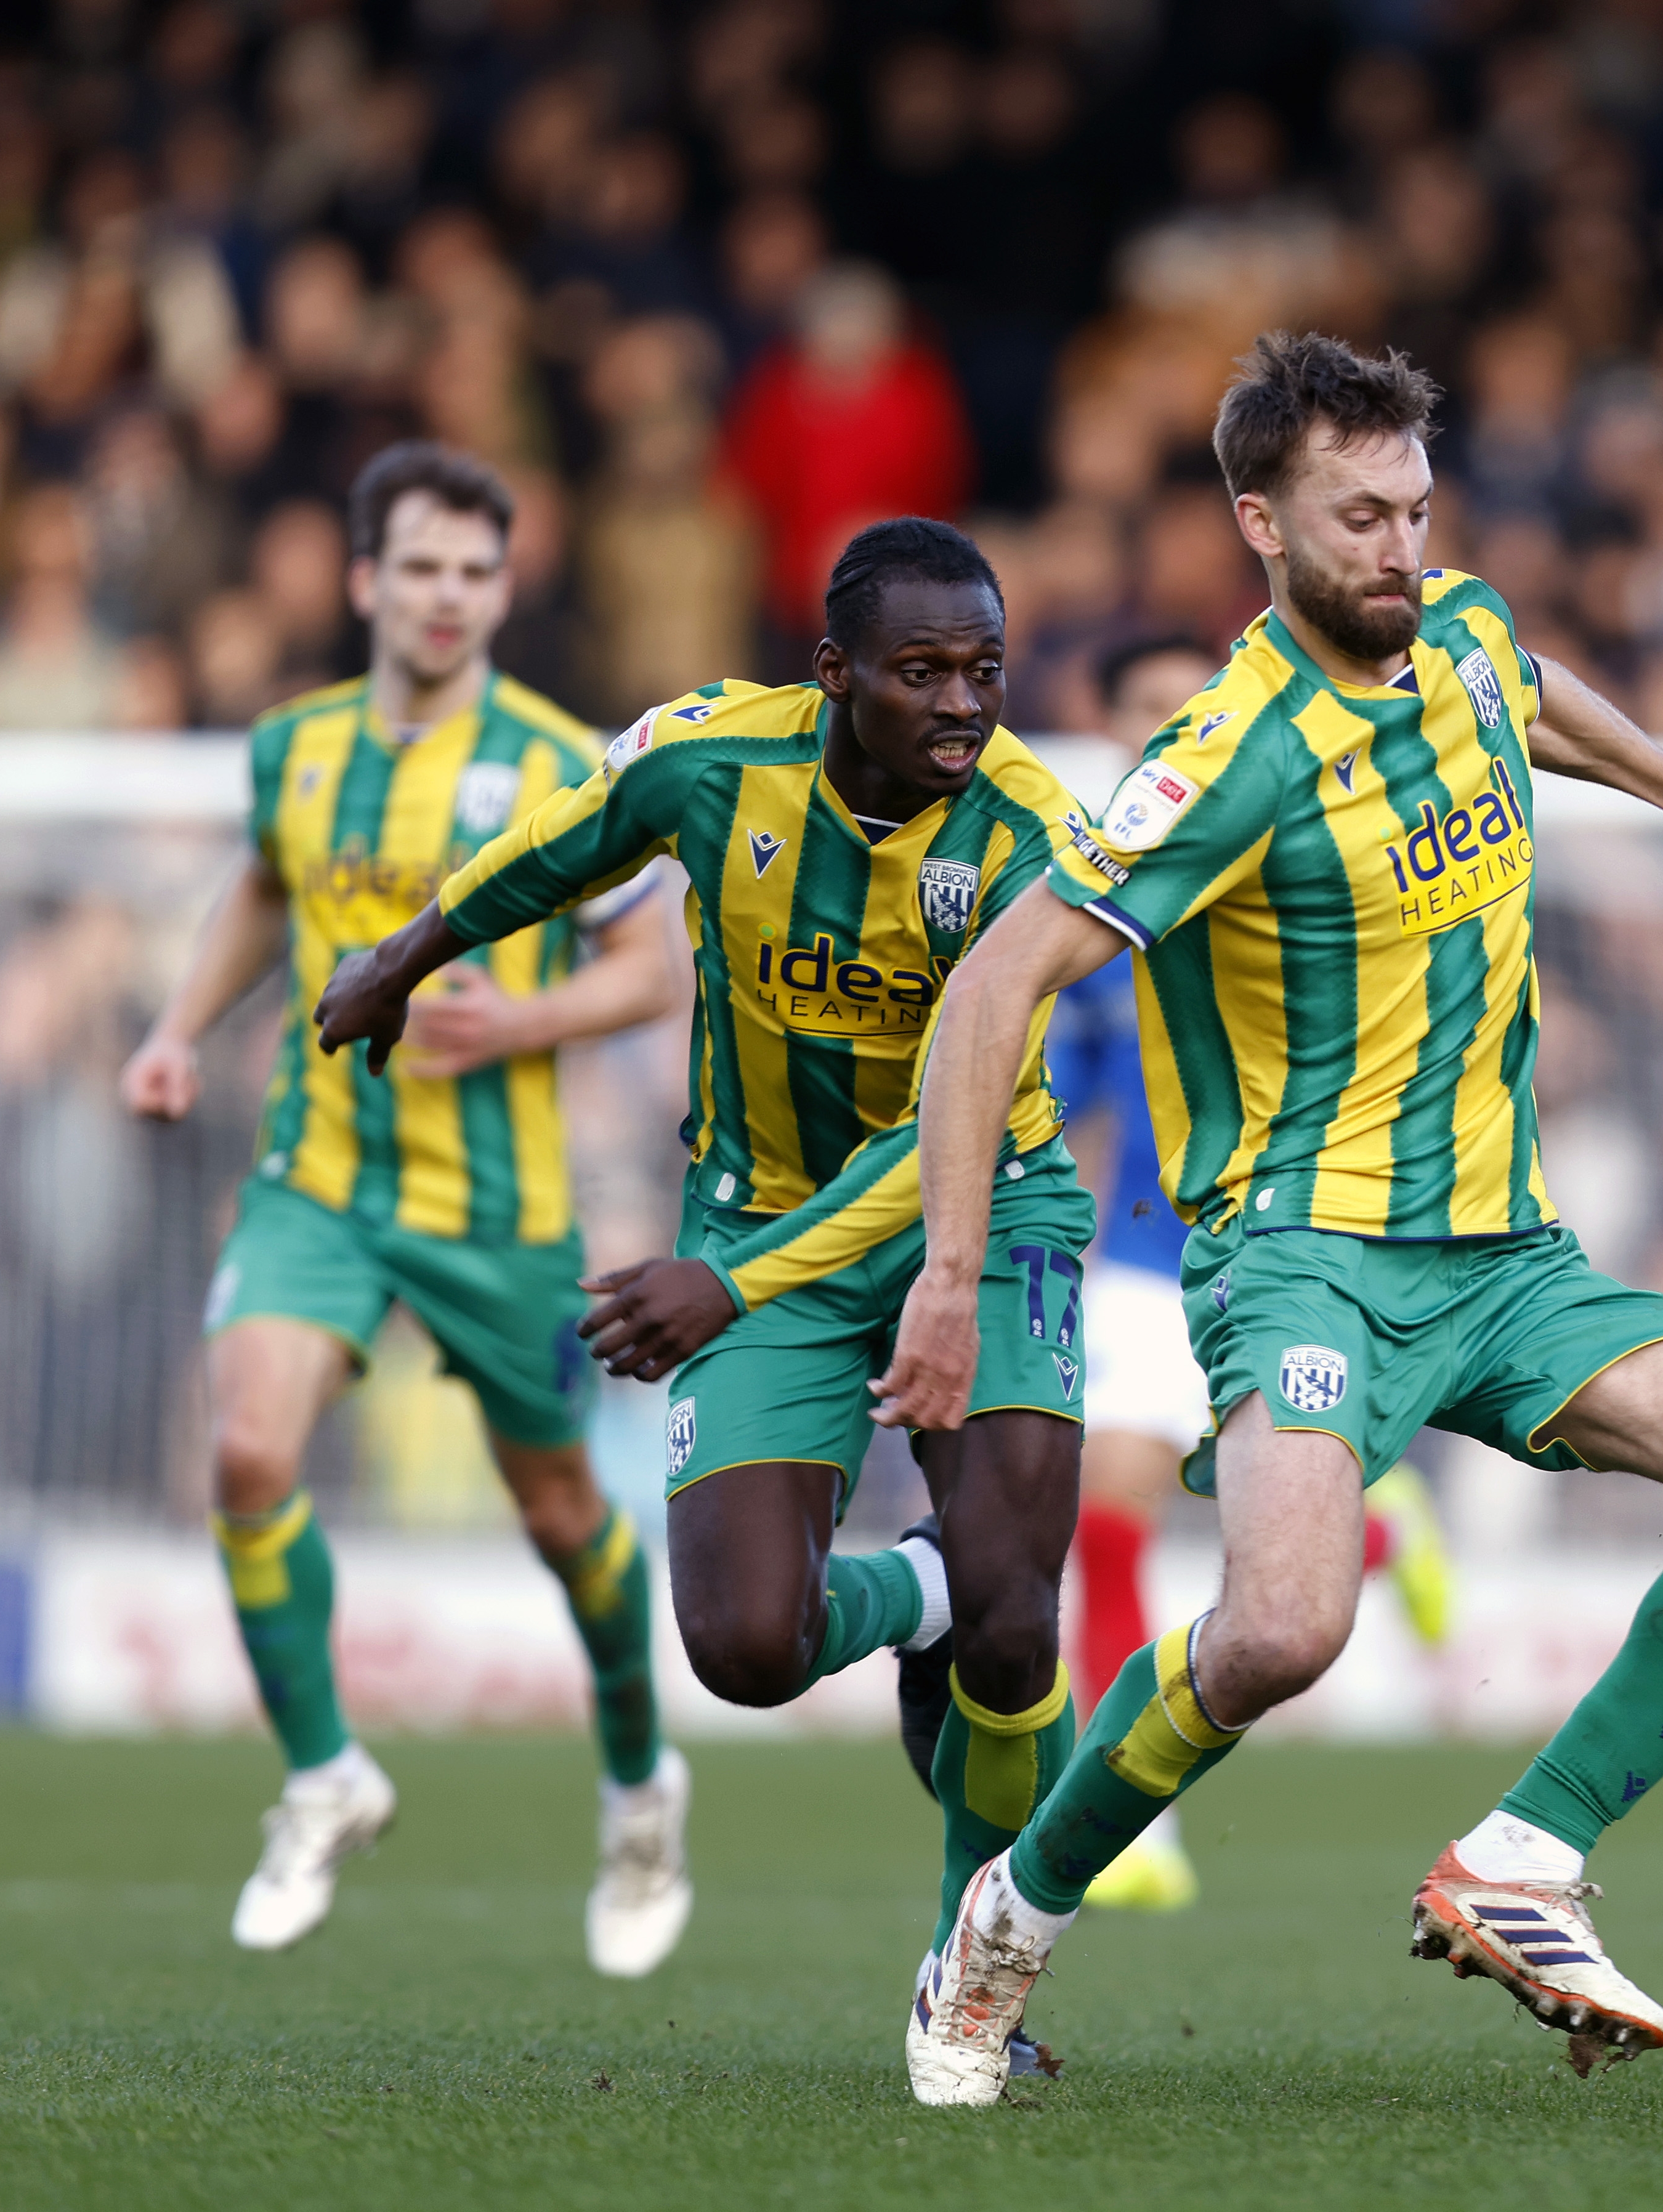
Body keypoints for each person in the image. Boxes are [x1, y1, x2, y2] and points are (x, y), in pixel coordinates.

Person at [875, 330, 1663, 2109]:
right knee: (1283, 1630)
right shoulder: (1231, 752)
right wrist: (949, 1279)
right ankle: (1003, 1923)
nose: (1400, 551)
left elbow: (1534, 687)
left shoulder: (1467, 633)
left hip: (1507, 1259)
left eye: (1417, 510)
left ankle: (1525, 1854)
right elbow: (990, 992)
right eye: (1359, 518)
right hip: (1306, 1258)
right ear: (1261, 524)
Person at [312, 519, 1096, 2019]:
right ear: (832, 674)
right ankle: (915, 1594)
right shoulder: (714, 762)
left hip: (988, 1216)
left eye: (984, 670)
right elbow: (556, 844)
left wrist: (723, 1285)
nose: (961, 704)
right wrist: (405, 955)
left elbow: (954, 1125)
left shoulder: (1028, 837)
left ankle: (970, 1987)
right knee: (748, 1648)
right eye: (920, 671)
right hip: (761, 1217)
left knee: (1021, 1617)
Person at [117, 440, 695, 1972]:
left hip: (497, 1209)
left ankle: (641, 1790)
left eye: (476, 571)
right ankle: (323, 1775)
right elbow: (262, 883)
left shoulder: (569, 759)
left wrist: (517, 1022)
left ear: (507, 589)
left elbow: (657, 969)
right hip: (316, 1177)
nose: (448, 596)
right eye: (422, 567)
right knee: (245, 1446)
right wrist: (179, 1028)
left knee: (565, 1517)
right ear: (367, 579)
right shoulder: (295, 748)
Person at [1041, 631, 1452, 1916]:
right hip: (1136, 1255)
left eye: (1189, 705)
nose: (1170, 726)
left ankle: (1380, 1534)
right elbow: (1065, 1096)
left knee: (1232, 1530)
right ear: (1107, 728)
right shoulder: (1093, 899)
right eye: (1145, 707)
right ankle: (1133, 1824)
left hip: (1266, 1244)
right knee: (1107, 1519)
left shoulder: (1285, 858)